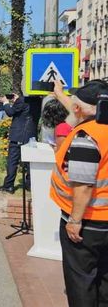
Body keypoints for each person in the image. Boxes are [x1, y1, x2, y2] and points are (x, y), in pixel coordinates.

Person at [49, 80, 108, 307]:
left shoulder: (87, 136)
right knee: (104, 282)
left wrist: (74, 220)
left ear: (80, 109)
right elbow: (81, 108)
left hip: (88, 224)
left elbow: (83, 185)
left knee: (81, 283)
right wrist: (60, 94)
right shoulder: (98, 123)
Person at [0, 93, 37, 193]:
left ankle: (9, 185)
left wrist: (5, 102)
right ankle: (29, 184)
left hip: (18, 135)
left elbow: (10, 112)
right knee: (29, 163)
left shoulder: (22, 100)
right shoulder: (38, 101)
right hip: (30, 136)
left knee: (12, 161)